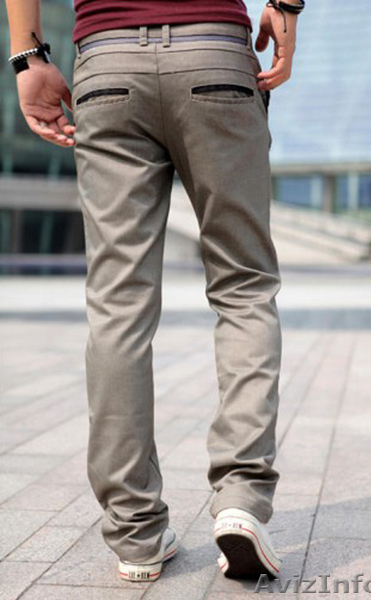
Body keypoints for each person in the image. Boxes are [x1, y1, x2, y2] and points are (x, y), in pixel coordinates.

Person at [5, 0, 303, 583]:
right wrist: (285, 8)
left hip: (107, 62)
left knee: (118, 304)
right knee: (244, 287)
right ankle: (241, 498)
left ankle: (136, 532)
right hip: (215, 55)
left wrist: (28, 57)